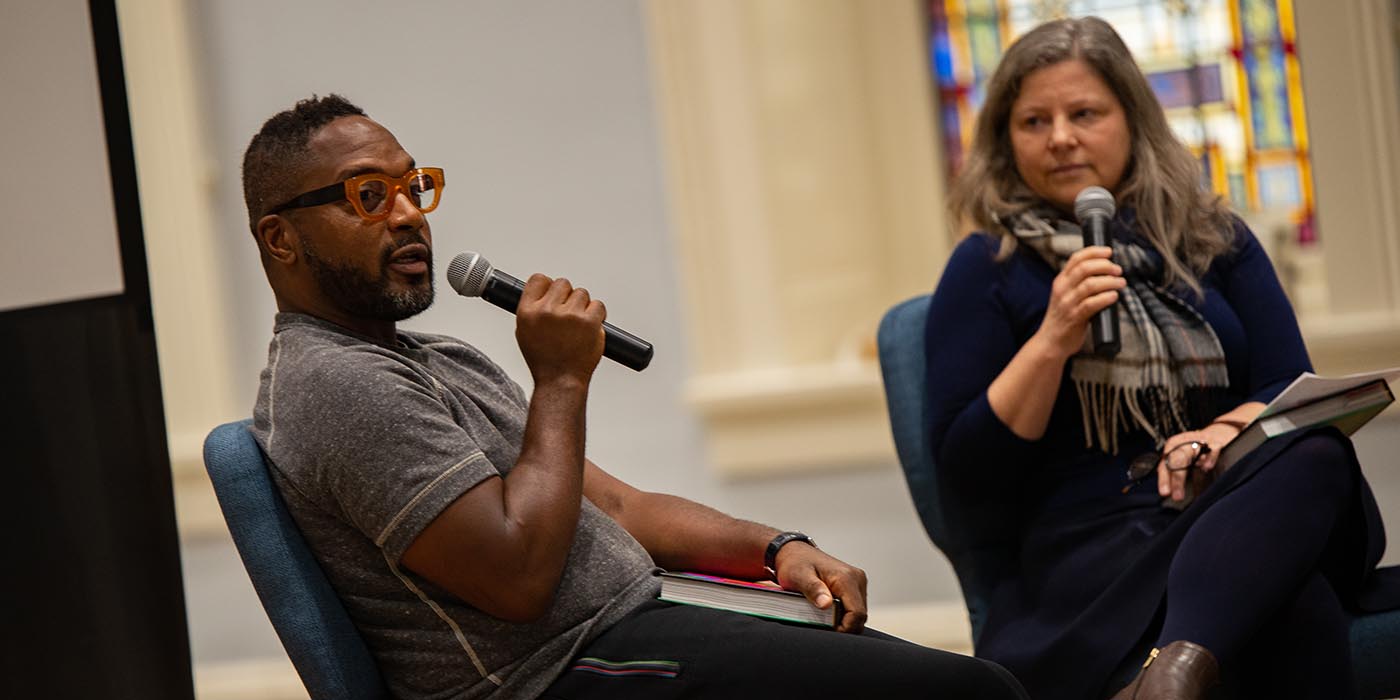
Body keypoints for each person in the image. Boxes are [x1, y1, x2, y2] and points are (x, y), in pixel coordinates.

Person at [239, 94, 1026, 700]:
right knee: (970, 693)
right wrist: (561, 381)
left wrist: (775, 547)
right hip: (555, 675)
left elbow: (612, 506)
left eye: (413, 186)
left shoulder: (429, 356)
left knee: (939, 675)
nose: (410, 214)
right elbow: (517, 579)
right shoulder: (336, 384)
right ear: (282, 239)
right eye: (368, 195)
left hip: (634, 620)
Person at [924, 16, 1400, 700]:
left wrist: (1220, 435)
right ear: (1006, 139)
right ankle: (1182, 664)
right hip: (1091, 553)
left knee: (1315, 452)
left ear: (1131, 119)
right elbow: (967, 475)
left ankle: (1171, 674)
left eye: (1083, 113)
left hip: (1229, 508)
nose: (1060, 137)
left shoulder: (1213, 238)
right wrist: (1053, 337)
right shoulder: (986, 267)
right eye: (1034, 121)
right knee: (1291, 605)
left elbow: (1284, 386)